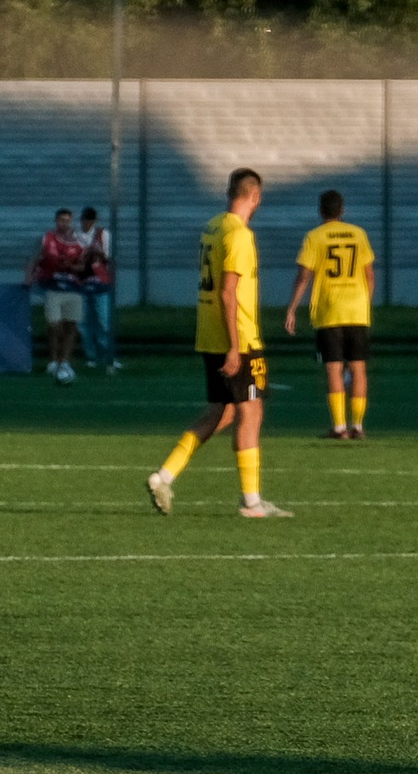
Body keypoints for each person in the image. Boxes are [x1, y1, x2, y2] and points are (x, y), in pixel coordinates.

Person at [146, 168, 290, 519]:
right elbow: (228, 292)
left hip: (210, 334)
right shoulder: (240, 235)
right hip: (237, 337)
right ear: (255, 196)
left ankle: (164, 476)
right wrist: (235, 346)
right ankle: (252, 503)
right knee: (251, 411)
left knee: (222, 412)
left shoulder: (213, 227)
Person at [285, 190, 378, 440]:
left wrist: (292, 307)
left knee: (334, 369)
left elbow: (304, 276)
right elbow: (370, 275)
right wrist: (364, 303)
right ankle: (358, 426)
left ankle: (339, 427)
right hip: (356, 311)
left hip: (329, 311)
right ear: (342, 210)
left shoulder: (315, 237)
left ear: (320, 210)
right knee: (358, 368)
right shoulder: (359, 234)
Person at [26, 207, 87, 381]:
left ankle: (64, 361)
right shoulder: (47, 239)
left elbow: (85, 266)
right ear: (56, 221)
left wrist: (71, 266)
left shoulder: (80, 241)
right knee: (54, 324)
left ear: (71, 222)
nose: (64, 224)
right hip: (53, 287)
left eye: (67, 221)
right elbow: (34, 258)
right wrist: (29, 276)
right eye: (61, 220)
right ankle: (53, 359)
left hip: (73, 288)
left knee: (71, 325)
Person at [76, 207, 119, 372]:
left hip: (100, 283)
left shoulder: (103, 234)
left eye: (90, 220)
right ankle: (91, 356)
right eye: (85, 220)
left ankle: (108, 355)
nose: (87, 223)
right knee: (84, 324)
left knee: (104, 322)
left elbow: (109, 258)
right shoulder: (76, 236)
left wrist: (99, 253)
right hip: (82, 284)